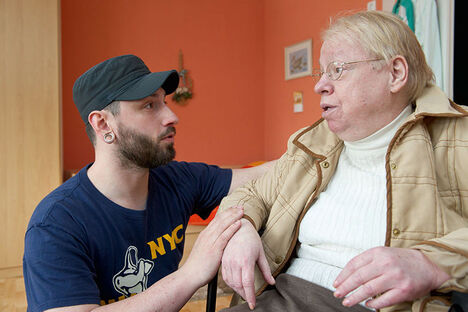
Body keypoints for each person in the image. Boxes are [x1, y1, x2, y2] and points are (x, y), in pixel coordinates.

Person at [219, 10, 468, 312]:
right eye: (320, 72)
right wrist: (241, 226)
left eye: (337, 69)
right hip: (280, 297)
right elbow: (251, 193)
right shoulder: (312, 143)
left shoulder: (457, 137)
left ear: (395, 74)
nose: (319, 85)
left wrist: (432, 263)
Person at [23, 54, 275, 312]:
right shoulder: (55, 223)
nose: (172, 116)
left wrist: (245, 222)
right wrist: (192, 273)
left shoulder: (176, 179)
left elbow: (267, 176)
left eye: (163, 102)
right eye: (149, 106)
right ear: (102, 124)